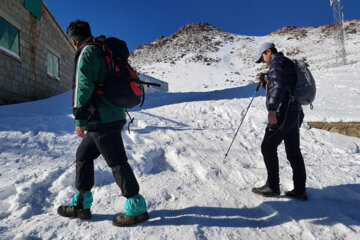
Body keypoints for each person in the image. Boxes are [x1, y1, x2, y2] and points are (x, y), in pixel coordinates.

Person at [57, 20, 149, 226]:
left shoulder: (87, 52)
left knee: (117, 161)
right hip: (111, 116)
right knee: (83, 155)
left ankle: (137, 209)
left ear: (73, 40)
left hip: (100, 118)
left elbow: (83, 87)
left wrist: (79, 118)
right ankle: (81, 204)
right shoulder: (103, 50)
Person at [252, 42, 308, 201]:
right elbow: (282, 87)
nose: (263, 61)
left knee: (268, 146)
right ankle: (299, 190)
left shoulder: (276, 63)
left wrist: (271, 109)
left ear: (268, 51)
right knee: (293, 151)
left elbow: (279, 87)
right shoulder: (287, 63)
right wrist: (265, 84)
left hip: (284, 110)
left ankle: (273, 186)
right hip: (295, 110)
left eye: (262, 57)